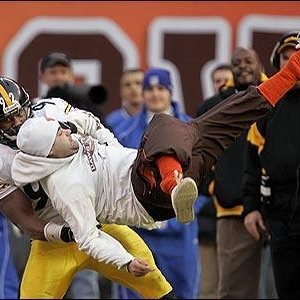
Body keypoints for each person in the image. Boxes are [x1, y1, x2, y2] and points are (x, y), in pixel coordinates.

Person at [12, 46, 300, 271]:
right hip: (146, 196)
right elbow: (88, 238)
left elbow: (88, 122)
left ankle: (292, 72)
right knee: (163, 122)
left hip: (161, 165)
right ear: (48, 151)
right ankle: (173, 185)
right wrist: (124, 260)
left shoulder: (68, 140)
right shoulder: (65, 186)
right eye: (58, 136)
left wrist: (110, 147)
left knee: (231, 111)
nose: (66, 134)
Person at [0, 77, 175, 299]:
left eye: (19, 113)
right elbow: (24, 219)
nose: (17, 122)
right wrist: (67, 232)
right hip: (53, 243)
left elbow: (91, 123)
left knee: (154, 281)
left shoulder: (51, 109)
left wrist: (116, 152)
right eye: (7, 119)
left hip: (99, 223)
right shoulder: (2, 160)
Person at [113, 67, 201, 299]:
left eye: (161, 88)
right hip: (139, 229)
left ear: (170, 92)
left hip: (179, 232)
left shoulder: (192, 129)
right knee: (136, 291)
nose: (155, 94)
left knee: (183, 291)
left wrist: (187, 212)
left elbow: (206, 179)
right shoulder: (124, 132)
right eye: (149, 89)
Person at [196, 47, 273, 298]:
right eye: (236, 63)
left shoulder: (279, 98)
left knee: (280, 286)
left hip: (279, 205)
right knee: (232, 291)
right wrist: (214, 186)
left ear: (260, 63)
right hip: (233, 208)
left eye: (247, 61)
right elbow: (199, 154)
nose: (242, 67)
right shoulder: (215, 106)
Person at [243, 30, 300, 299]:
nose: (291, 62)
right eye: (285, 57)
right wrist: (251, 208)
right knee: (283, 287)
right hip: (278, 210)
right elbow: (252, 162)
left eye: (297, 57)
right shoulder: (266, 105)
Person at [196, 62, 232, 299]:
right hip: (210, 216)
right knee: (208, 287)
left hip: (238, 214)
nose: (222, 85)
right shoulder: (204, 116)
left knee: (235, 285)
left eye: (226, 80)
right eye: (217, 81)